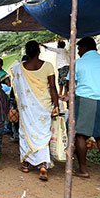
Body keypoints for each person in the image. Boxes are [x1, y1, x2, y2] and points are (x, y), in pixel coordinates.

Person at [9, 42, 60, 182]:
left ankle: (26, 164)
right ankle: (43, 165)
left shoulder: (19, 68)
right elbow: (52, 88)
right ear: (39, 51)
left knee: (26, 133)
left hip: (27, 108)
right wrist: (56, 105)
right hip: (44, 105)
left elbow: (17, 89)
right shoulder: (48, 66)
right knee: (43, 134)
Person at [70, 37, 100, 183]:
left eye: (79, 49)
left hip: (84, 99)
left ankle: (83, 169)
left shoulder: (79, 63)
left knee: (80, 135)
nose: (78, 52)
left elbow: (71, 83)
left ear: (84, 47)